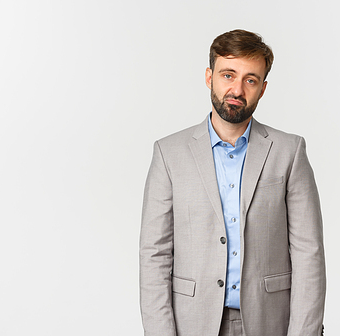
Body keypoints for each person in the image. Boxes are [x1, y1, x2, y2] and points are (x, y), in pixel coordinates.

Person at [140, 29, 326, 336]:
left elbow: (309, 254)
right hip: (192, 322)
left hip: (270, 323)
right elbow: (154, 254)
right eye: (228, 75)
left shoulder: (289, 151)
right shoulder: (168, 153)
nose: (237, 89)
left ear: (262, 89)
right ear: (209, 76)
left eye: (250, 79)